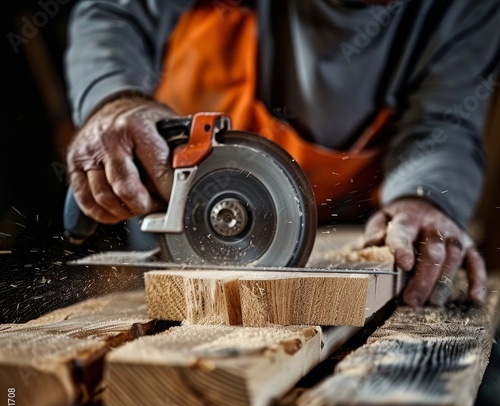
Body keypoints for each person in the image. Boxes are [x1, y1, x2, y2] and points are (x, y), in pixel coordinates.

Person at [63, 0, 500, 308]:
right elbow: (115, 10)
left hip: (349, 250)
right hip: (180, 242)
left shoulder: (468, 9)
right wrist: (115, 99)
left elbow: (444, 126)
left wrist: (424, 198)